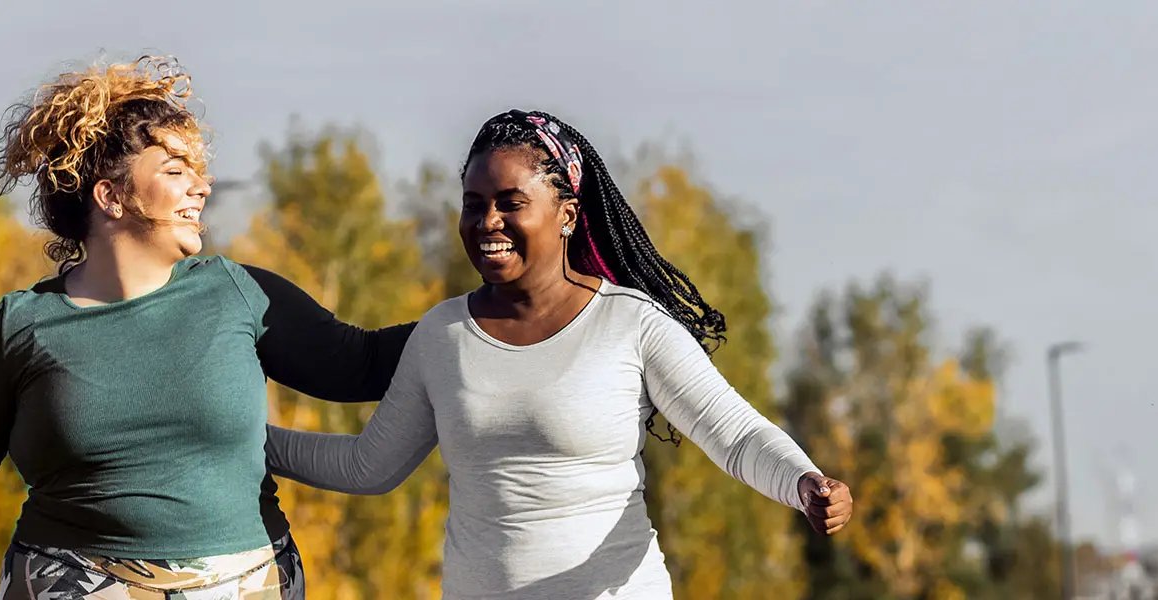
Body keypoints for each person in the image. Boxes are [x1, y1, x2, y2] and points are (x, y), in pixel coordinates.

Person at [0, 56, 412, 600]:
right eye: (175, 172)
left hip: (246, 584)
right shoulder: (19, 329)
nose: (202, 187)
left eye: (197, 171)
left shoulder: (238, 294)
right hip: (69, 583)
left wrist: (487, 312)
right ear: (111, 196)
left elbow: (360, 366)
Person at [265, 110, 856, 598]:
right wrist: (240, 444)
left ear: (567, 214)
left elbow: (737, 434)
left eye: (510, 201)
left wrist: (803, 481)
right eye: (473, 203)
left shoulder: (631, 324)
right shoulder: (442, 335)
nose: (487, 221)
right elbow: (369, 467)